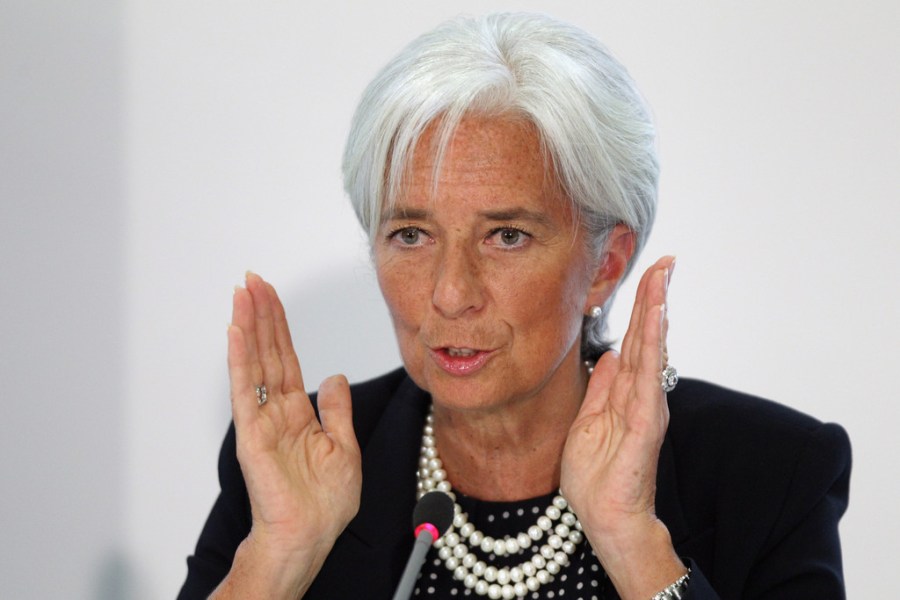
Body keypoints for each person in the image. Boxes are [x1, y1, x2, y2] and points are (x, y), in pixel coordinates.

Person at [178, 12, 850, 600]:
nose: (450, 293)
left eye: (506, 236)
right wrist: (278, 557)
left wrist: (633, 544)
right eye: (410, 235)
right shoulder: (295, 464)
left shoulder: (768, 473)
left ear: (605, 264)